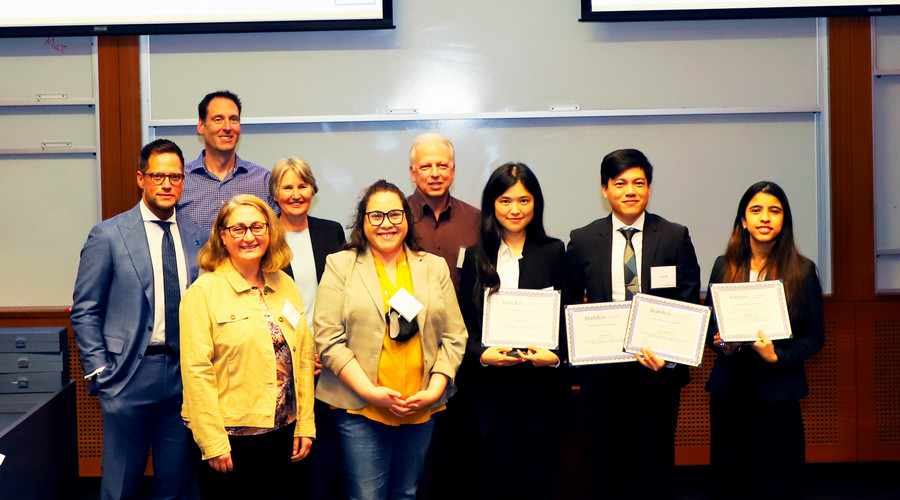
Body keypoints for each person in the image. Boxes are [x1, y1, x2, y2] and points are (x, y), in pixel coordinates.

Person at [313, 180, 467, 500]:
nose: (387, 224)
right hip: (361, 406)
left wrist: (435, 390)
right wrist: (371, 392)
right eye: (376, 216)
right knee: (367, 495)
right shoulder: (341, 265)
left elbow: (455, 335)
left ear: (407, 219)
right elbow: (328, 337)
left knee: (406, 494)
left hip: (420, 405)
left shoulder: (433, 267)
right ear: (363, 220)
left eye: (395, 214)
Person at [71, 139, 207, 500]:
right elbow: (84, 310)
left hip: (184, 379)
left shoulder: (198, 237)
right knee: (120, 486)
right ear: (140, 178)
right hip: (127, 374)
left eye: (175, 177)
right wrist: (101, 371)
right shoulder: (109, 235)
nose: (167, 184)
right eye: (158, 175)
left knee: (177, 485)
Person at [567, 148, 701, 500]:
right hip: (603, 378)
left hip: (657, 376)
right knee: (607, 473)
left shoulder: (674, 236)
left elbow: (687, 303)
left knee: (654, 474)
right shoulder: (582, 240)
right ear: (605, 189)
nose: (630, 191)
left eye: (638, 183)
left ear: (649, 188)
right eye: (620, 183)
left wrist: (671, 356)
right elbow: (567, 306)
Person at [179, 194, 316, 499]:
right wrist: (212, 441)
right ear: (223, 236)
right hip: (231, 440)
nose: (249, 237)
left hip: (283, 433)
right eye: (238, 229)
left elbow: (303, 358)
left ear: (270, 231)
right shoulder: (202, 293)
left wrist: (305, 423)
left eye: (257, 227)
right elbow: (196, 372)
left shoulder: (284, 284)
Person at [458, 163, 573, 500]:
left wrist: (555, 358)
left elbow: (567, 317)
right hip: (489, 394)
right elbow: (462, 323)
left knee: (539, 483)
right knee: (493, 482)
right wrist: (481, 355)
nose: (515, 209)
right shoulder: (475, 256)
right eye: (505, 201)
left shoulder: (554, 252)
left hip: (540, 391)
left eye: (524, 200)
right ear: (492, 204)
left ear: (535, 204)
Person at [705, 181, 824, 500]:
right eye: (755, 210)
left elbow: (814, 338)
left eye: (774, 210)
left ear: (784, 219)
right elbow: (709, 328)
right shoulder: (724, 265)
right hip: (730, 393)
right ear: (743, 220)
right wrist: (722, 344)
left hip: (778, 396)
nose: (765, 218)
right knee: (731, 480)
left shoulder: (802, 271)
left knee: (777, 482)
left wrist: (778, 355)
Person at [269, 156, 346, 500]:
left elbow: (343, 295)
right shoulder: (264, 234)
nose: (296, 193)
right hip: (280, 359)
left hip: (326, 358)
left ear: (312, 189)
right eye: (287, 186)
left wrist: (323, 351)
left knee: (325, 452)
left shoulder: (331, 231)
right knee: (287, 449)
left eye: (302, 185)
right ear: (275, 193)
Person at [178, 90, 277, 231]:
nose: (227, 127)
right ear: (201, 126)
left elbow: (278, 235)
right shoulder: (180, 181)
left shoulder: (263, 181)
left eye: (233, 119)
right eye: (218, 119)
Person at [406, 133, 480, 291]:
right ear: (413, 173)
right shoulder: (395, 218)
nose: (435, 174)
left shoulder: (475, 220)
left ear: (452, 171)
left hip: (461, 314)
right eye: (425, 166)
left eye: (442, 166)